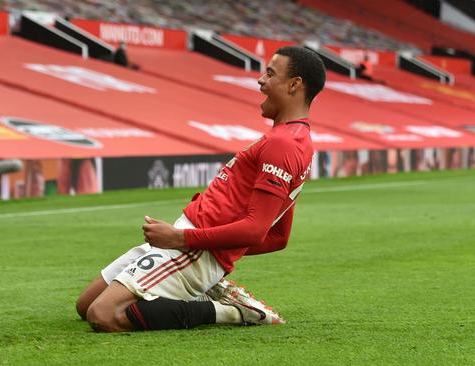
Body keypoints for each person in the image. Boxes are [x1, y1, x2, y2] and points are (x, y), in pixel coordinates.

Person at [76, 46, 326, 332]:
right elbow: (279, 237)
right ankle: (204, 287)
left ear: (294, 84)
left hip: (190, 249)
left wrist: (184, 240)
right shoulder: (294, 141)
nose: (260, 80)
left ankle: (228, 311)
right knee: (85, 305)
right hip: (191, 245)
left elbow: (257, 230)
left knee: (103, 315)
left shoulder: (284, 144)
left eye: (270, 73)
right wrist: (208, 247)